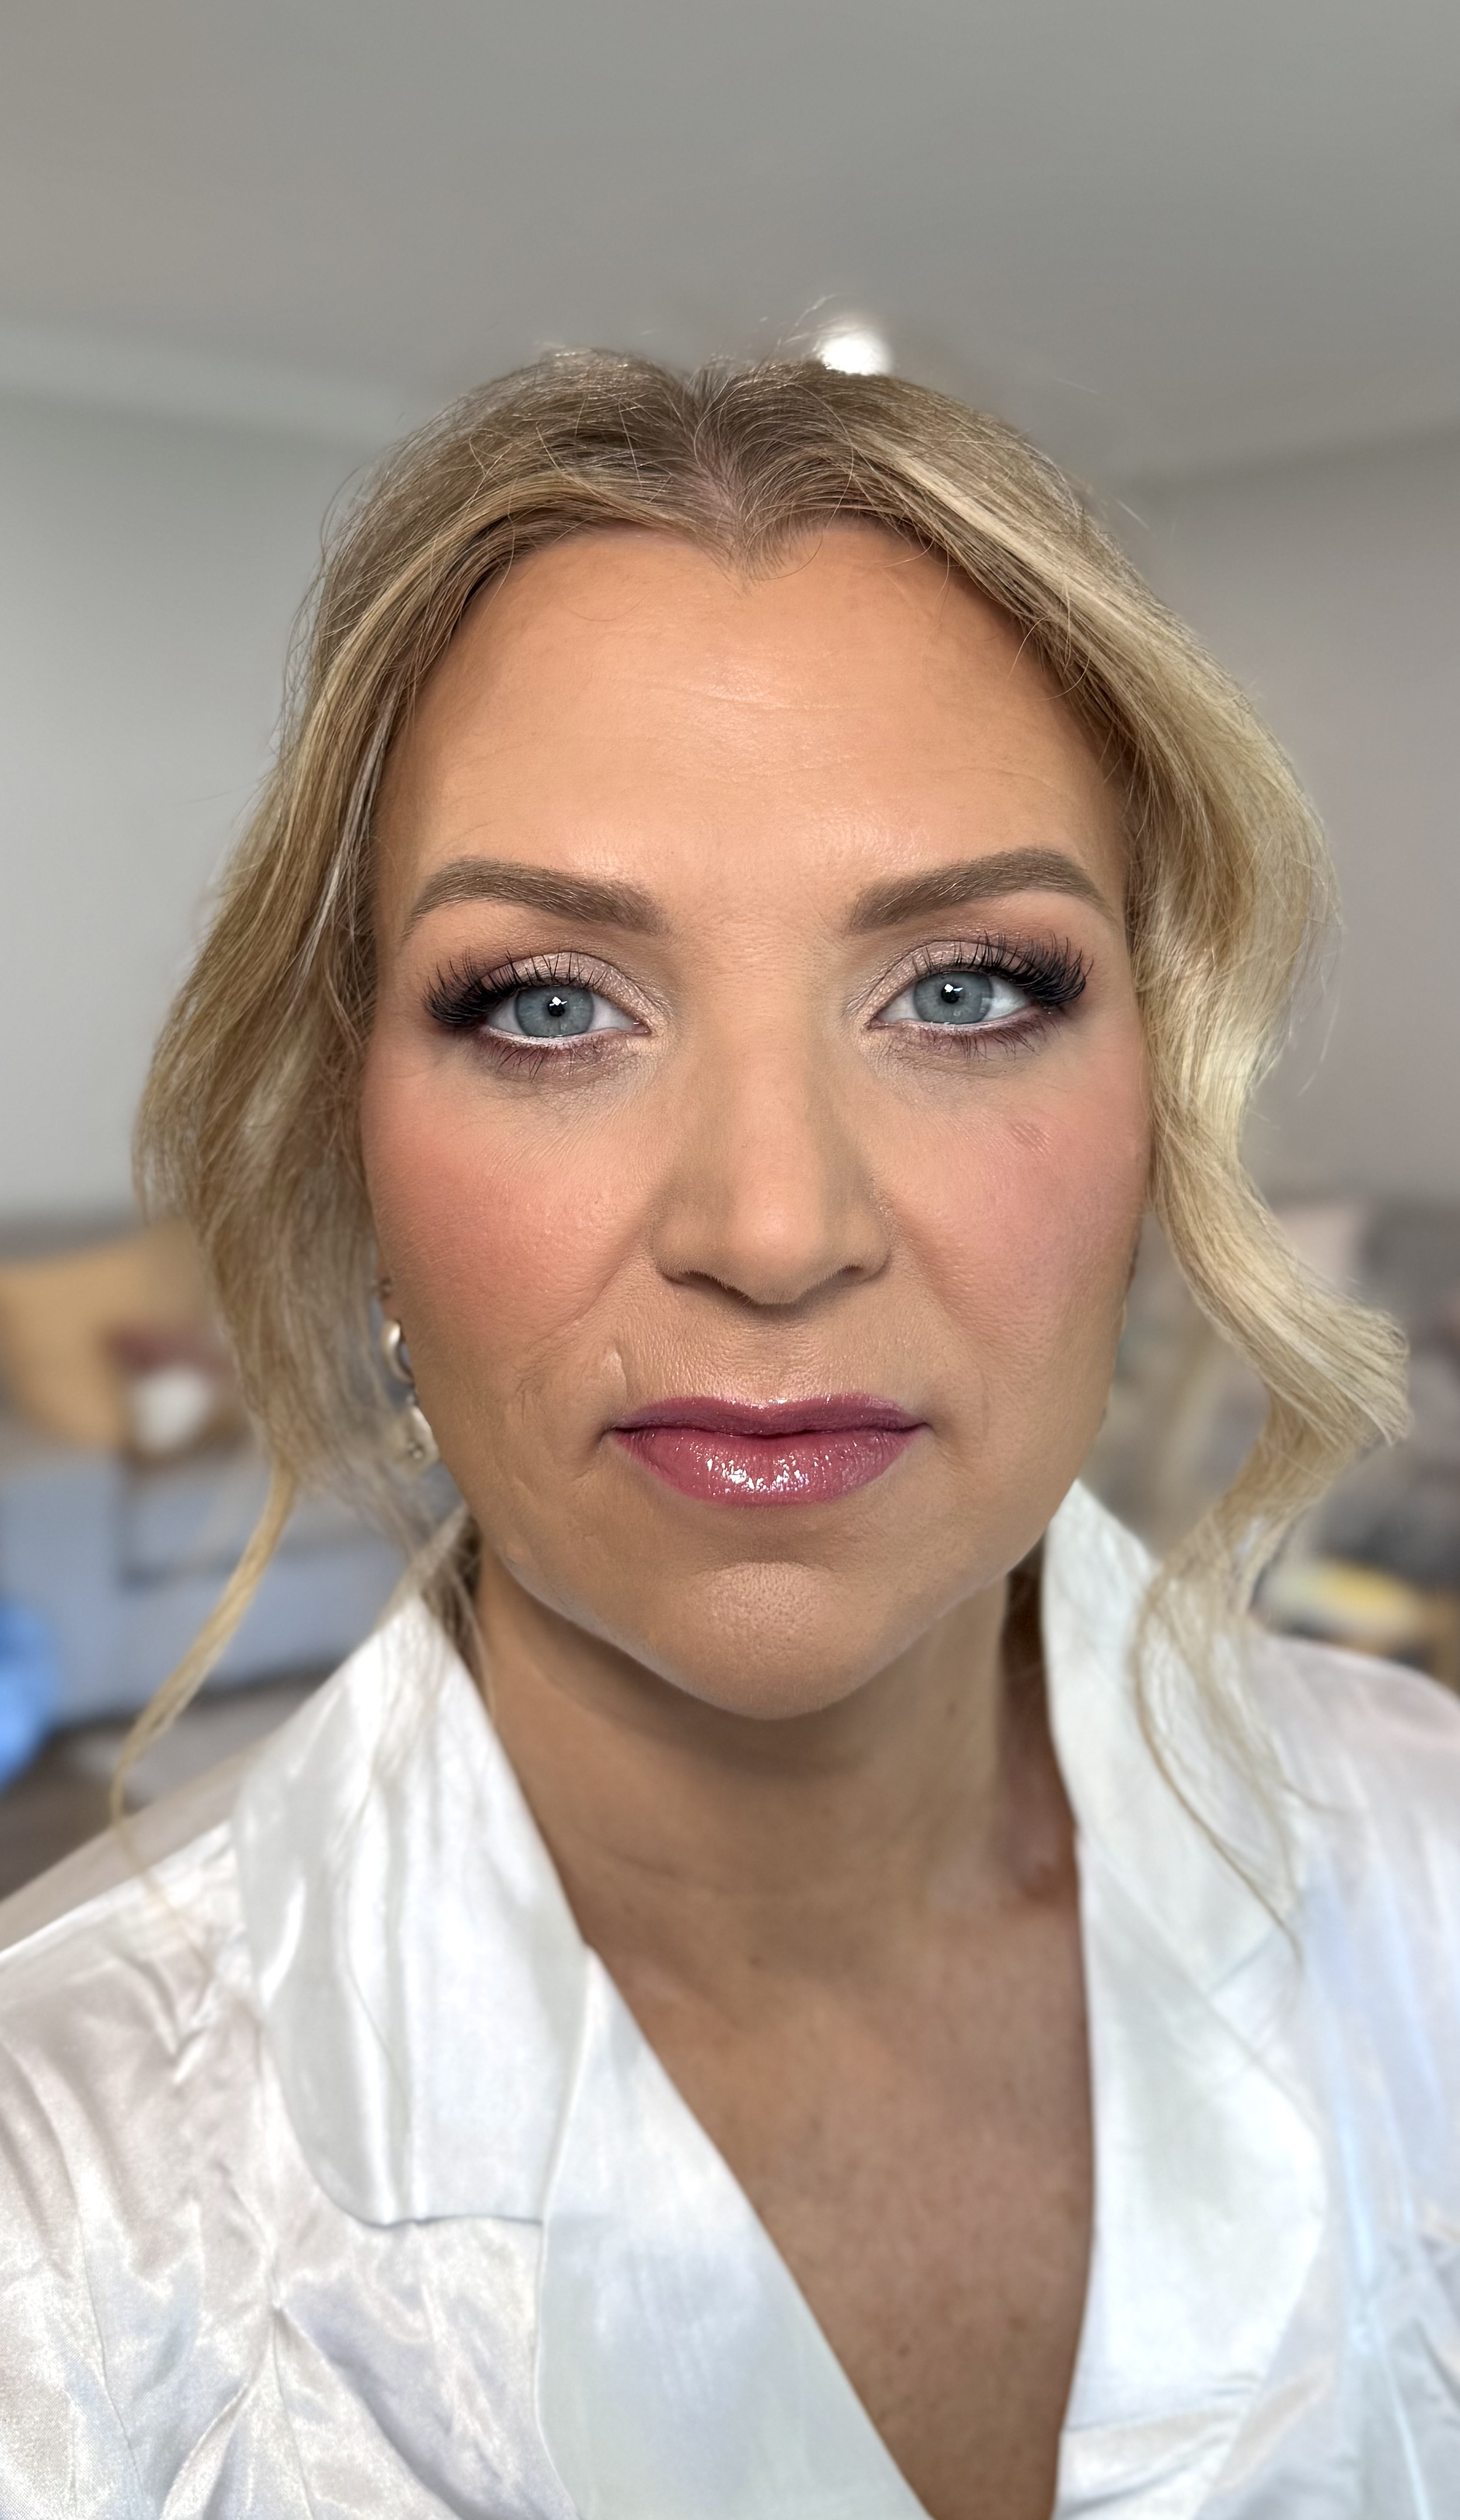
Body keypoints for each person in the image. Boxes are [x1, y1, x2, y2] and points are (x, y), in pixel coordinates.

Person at [0, 354, 1453, 2520]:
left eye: (964, 987)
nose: (774, 1229)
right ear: (356, 1149)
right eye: (550, 1001)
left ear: (1161, 1103)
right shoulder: (60, 2193)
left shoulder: (1430, 1887)